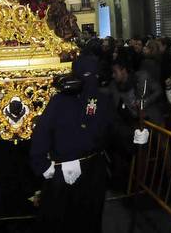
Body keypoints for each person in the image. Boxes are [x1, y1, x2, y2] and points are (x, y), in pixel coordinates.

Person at [30, 51, 148, 232]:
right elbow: (41, 133)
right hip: (62, 171)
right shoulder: (59, 101)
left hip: (94, 171)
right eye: (85, 75)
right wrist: (43, 165)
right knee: (61, 220)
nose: (89, 80)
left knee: (90, 217)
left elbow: (116, 128)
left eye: (93, 75)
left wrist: (135, 137)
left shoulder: (101, 101)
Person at [109, 59, 164, 124]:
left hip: (151, 120)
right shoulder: (114, 86)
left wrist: (144, 102)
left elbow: (158, 91)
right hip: (133, 123)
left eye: (115, 72)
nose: (113, 75)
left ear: (123, 70)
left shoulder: (142, 77)